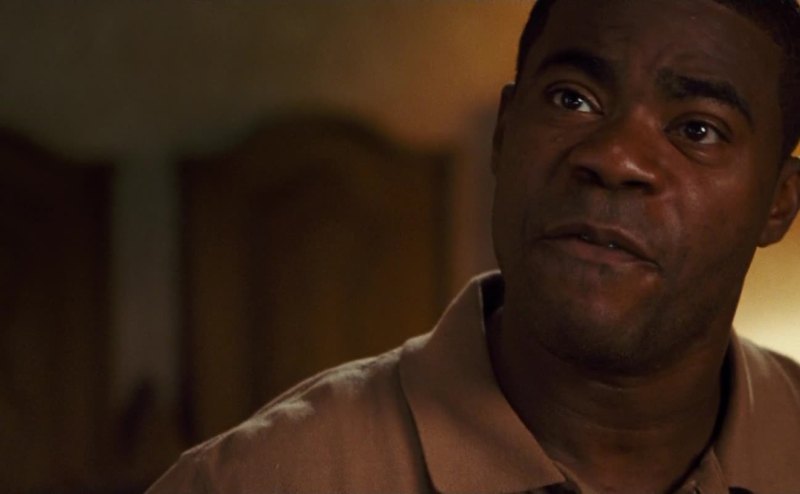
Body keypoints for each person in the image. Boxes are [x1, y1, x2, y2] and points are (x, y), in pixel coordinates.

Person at [148, 0, 800, 492]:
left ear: (779, 201)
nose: (614, 157)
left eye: (698, 130)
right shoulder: (257, 479)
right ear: (505, 132)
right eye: (572, 99)